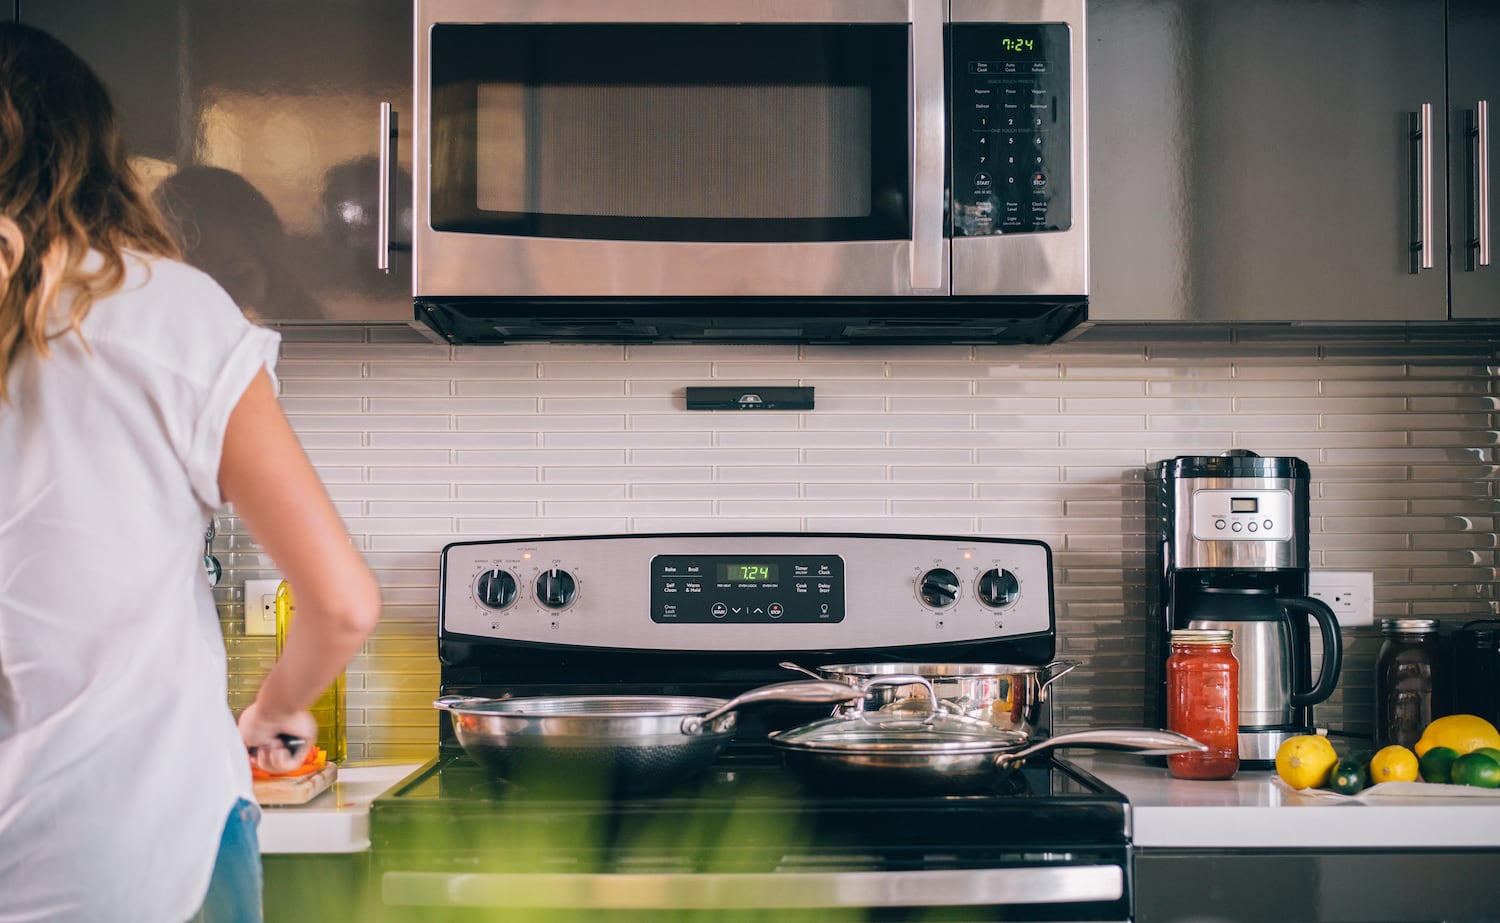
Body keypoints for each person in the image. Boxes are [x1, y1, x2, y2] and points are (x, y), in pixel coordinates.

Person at [0, 22, 381, 923]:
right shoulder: (163, 312)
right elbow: (343, 603)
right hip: (144, 849)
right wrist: (273, 709)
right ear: (90, 153)